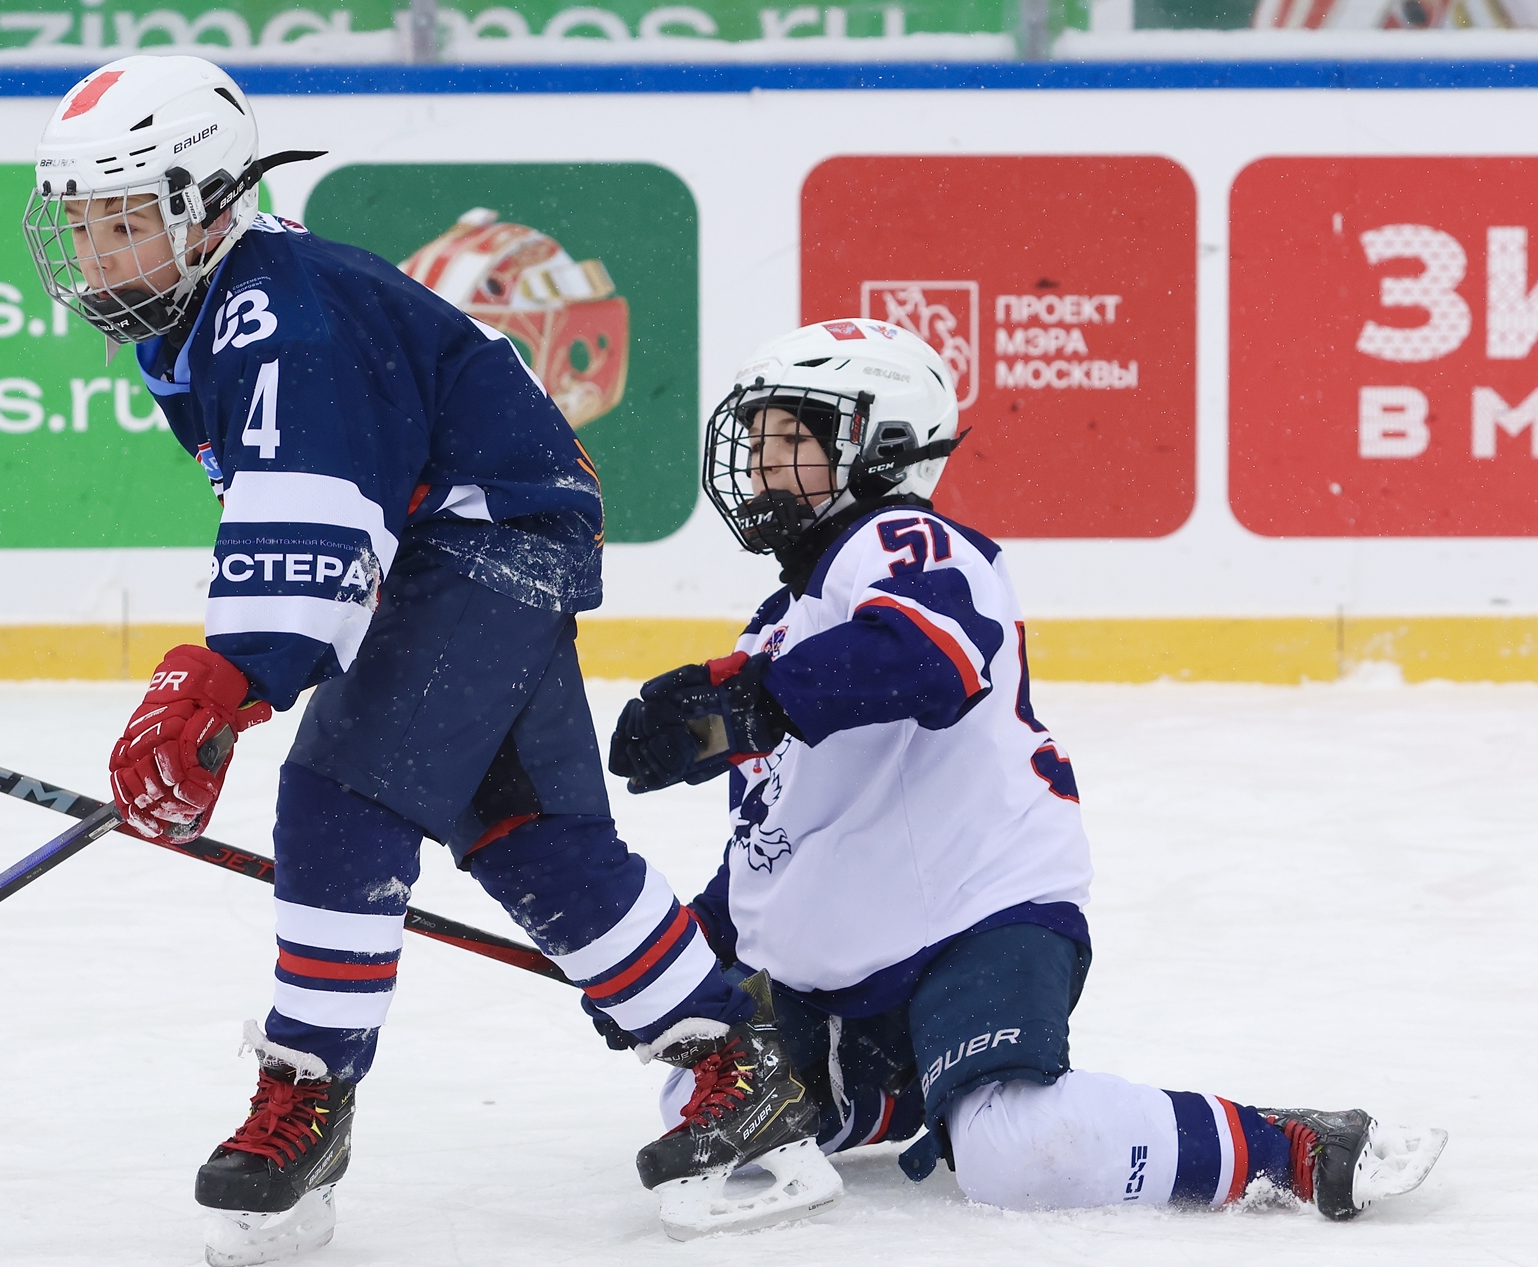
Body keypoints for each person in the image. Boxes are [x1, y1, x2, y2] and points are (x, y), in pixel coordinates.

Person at [21, 55, 839, 1264]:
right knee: (529, 837)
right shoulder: (220, 304)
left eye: (125, 221)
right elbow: (321, 508)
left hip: (478, 540)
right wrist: (241, 667)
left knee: (340, 790)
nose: (95, 254)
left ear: (205, 205)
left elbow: (314, 510)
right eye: (83, 225)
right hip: (481, 537)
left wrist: (226, 676)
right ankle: (735, 1059)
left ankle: (305, 1097)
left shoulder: (270, 307)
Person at [606, 317, 1448, 1222]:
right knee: (701, 1099)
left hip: (982, 915)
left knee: (1016, 1152)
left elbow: (932, 655)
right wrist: (672, 960)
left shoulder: (904, 543)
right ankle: (899, 1088)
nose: (765, 465)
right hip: (857, 964)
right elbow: (778, 834)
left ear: (880, 445)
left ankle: (1290, 1143)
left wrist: (745, 701)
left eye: (790, 440)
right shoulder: (778, 628)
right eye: (760, 440)